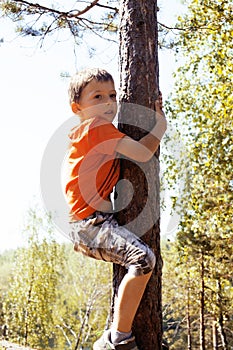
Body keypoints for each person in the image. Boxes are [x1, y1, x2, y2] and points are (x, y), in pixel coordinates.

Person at [65, 68, 167, 350]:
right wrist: (160, 125)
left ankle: (113, 334)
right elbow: (143, 153)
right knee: (142, 260)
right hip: (89, 224)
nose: (109, 102)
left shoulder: (92, 132)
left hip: (92, 222)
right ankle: (116, 339)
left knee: (136, 261)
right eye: (97, 97)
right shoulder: (96, 128)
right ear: (78, 108)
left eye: (112, 95)